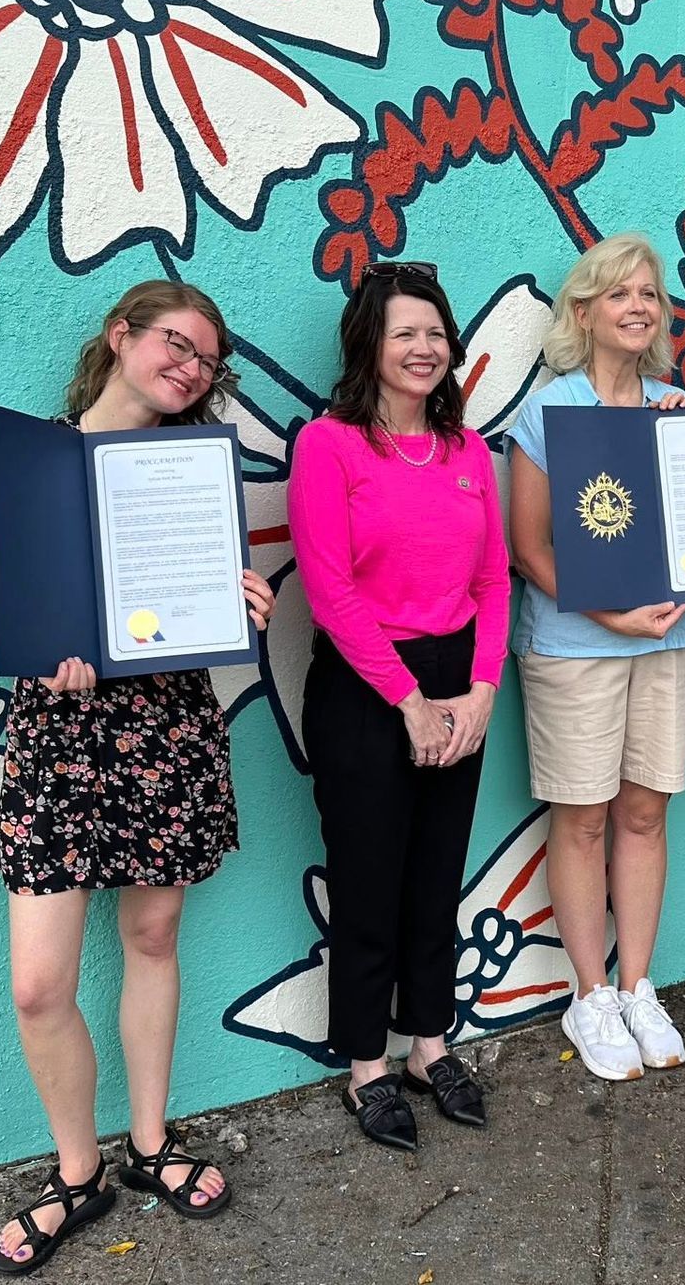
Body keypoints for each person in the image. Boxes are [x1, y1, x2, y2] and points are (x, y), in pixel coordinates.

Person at [0, 280, 274, 1274]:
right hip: (60, 738)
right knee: (39, 983)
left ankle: (148, 1144)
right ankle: (77, 1171)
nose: (190, 367)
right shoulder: (22, 465)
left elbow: (192, 598)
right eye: (177, 343)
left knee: (154, 932)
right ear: (119, 334)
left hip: (164, 727)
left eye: (207, 361)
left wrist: (239, 598)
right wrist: (36, 650)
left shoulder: (192, 473)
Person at [288, 259, 508, 1151]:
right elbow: (329, 588)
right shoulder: (328, 444)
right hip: (364, 683)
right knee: (369, 879)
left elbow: (494, 580)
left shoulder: (468, 450)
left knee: (435, 874)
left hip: (460, 678)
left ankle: (428, 1043)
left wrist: (482, 689)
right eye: (404, 332)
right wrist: (410, 701)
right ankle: (366, 1066)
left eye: (435, 332)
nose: (424, 348)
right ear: (369, 345)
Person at [507, 233, 685, 1081]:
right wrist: (608, 614)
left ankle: (637, 984)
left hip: (671, 637)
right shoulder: (549, 412)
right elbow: (528, 546)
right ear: (582, 312)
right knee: (583, 814)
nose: (638, 307)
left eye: (650, 294)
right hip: (577, 644)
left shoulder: (676, 408)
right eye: (619, 293)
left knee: (646, 809)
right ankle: (589, 995)